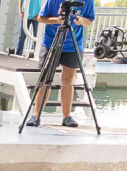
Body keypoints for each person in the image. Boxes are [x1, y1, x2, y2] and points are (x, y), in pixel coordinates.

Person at [28, 0, 93, 128]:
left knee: (68, 80)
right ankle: (36, 115)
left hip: (73, 46)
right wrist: (58, 20)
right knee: (45, 78)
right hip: (51, 43)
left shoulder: (87, 1)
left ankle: (67, 117)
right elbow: (41, 18)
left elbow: (89, 21)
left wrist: (80, 21)